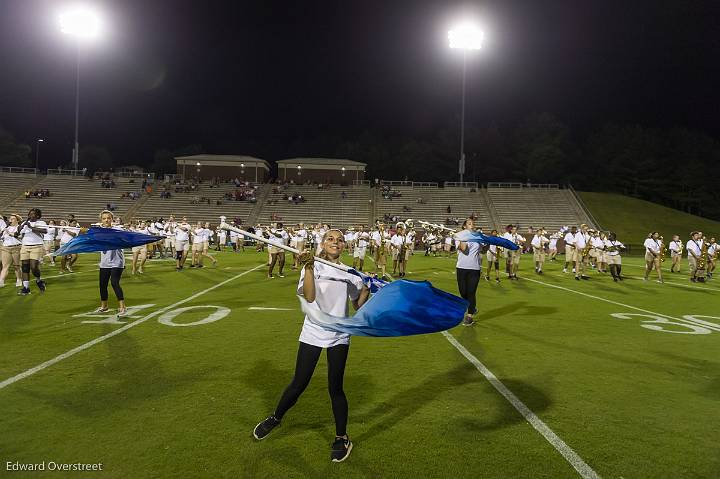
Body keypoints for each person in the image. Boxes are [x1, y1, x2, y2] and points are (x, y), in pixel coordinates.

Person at [253, 230, 369, 463]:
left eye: (339, 240)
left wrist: (366, 286)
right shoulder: (312, 265)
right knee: (299, 382)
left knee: (335, 387)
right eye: (330, 239)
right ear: (322, 244)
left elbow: (358, 306)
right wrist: (307, 268)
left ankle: (342, 437)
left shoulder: (351, 274)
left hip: (339, 334)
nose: (335, 242)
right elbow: (309, 297)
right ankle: (276, 417)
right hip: (313, 332)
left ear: (344, 246)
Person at [94, 210, 128, 316]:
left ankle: (122, 307)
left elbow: (123, 240)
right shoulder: (99, 231)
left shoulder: (117, 229)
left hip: (117, 261)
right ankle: (104, 306)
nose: (106, 220)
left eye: (108, 218)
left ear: (112, 219)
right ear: (101, 220)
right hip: (105, 261)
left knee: (114, 282)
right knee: (102, 284)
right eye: (104, 218)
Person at [455, 218, 481, 326]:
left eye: (473, 224)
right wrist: (463, 238)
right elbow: (464, 249)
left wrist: (486, 241)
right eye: (469, 224)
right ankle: (472, 307)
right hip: (461, 267)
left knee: (471, 292)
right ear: (465, 226)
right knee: (463, 292)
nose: (472, 225)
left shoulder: (478, 237)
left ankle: (469, 316)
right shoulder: (459, 236)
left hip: (474, 268)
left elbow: (482, 250)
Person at [17, 208, 48, 295]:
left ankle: (39, 280)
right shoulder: (25, 223)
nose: (30, 215)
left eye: (33, 214)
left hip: (37, 246)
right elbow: (18, 232)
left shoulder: (41, 223)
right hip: (25, 246)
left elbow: (44, 231)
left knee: (34, 267)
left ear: (37, 215)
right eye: (29, 214)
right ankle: (26, 288)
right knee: (25, 268)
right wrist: (23, 225)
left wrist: (31, 227)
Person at [0, 214, 23, 288]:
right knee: (5, 266)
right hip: (6, 248)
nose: (10, 220)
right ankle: (1, 281)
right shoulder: (7, 228)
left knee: (17, 266)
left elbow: (20, 237)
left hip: (16, 248)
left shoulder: (19, 228)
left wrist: (10, 234)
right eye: (10, 219)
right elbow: (3, 238)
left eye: (13, 218)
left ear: (17, 220)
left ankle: (19, 279)